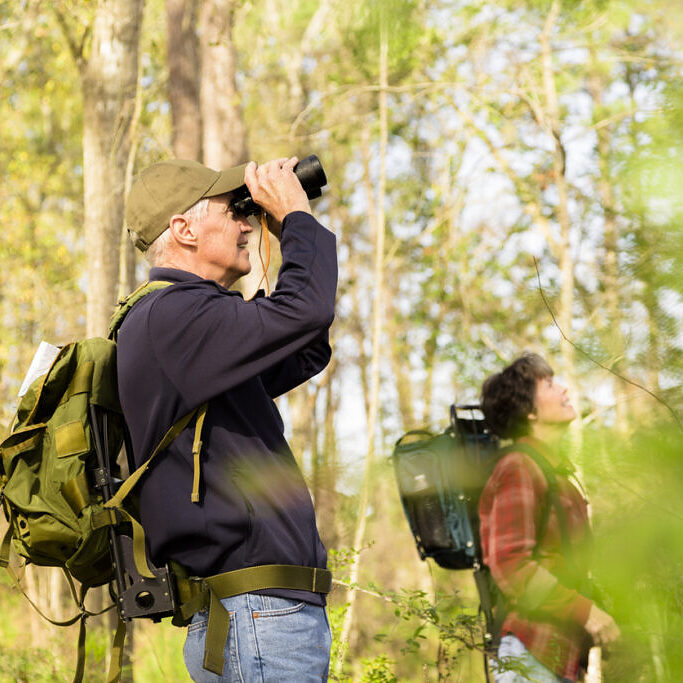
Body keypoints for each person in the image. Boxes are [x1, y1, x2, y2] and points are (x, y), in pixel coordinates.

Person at [118, 156, 337, 681]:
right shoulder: (173, 315)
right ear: (183, 229)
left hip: (253, 616)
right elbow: (303, 312)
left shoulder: (183, 319)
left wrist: (287, 230)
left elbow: (302, 345)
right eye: (233, 210)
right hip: (256, 617)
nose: (246, 223)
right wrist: (298, 222)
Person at [478, 352, 620, 683]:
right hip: (530, 655)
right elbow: (511, 564)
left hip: (559, 659)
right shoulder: (518, 467)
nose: (565, 390)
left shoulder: (557, 475)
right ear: (529, 411)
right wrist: (586, 612)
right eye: (550, 384)